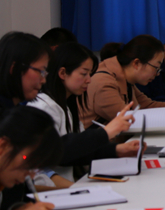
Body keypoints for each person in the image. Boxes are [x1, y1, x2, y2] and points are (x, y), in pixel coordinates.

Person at [28, 43, 139, 187]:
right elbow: (56, 152)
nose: (89, 80)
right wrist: (106, 132)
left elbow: (80, 149)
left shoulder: (66, 106)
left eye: (90, 74)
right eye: (84, 73)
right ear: (63, 73)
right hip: (53, 190)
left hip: (69, 185)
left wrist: (119, 150)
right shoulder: (43, 107)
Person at [81, 35, 165, 128]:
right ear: (137, 63)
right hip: (98, 151)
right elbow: (127, 120)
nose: (157, 74)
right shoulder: (104, 82)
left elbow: (148, 105)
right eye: (155, 68)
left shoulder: (125, 79)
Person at [0, 32, 51, 110]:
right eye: (40, 71)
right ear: (14, 68)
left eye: (44, 73)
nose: (43, 80)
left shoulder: (10, 108)